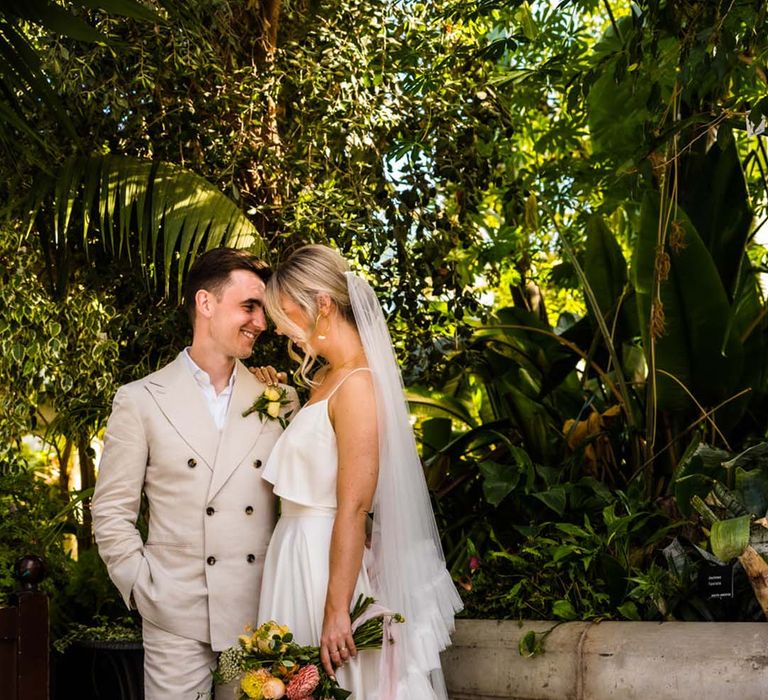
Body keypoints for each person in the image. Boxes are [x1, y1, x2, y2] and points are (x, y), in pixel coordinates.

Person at [92, 247, 298, 700]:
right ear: (206, 304)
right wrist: (145, 590)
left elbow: (299, 504)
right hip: (175, 618)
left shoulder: (278, 398)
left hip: (259, 622)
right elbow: (110, 511)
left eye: (262, 310)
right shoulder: (141, 400)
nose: (261, 322)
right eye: (249, 306)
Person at [257, 244, 462, 699]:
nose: (276, 325)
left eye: (284, 311)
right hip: (293, 554)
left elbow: (354, 506)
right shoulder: (327, 377)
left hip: (324, 562)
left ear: (323, 304)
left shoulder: (358, 385)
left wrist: (336, 610)